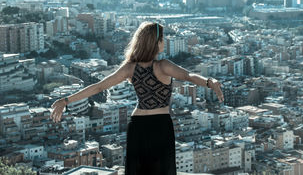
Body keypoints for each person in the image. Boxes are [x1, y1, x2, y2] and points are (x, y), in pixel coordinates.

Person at [50, 21, 224, 175]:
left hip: (137, 126)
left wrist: (66, 101)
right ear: (155, 43)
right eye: (162, 38)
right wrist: (210, 82)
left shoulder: (130, 68)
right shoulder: (163, 66)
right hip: (160, 125)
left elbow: (99, 87)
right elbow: (189, 76)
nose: (165, 41)